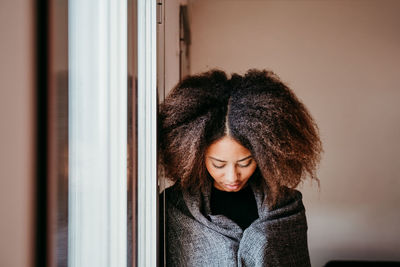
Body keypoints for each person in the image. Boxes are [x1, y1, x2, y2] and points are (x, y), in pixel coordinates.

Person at [158, 69, 322, 267]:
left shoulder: (286, 208)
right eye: (218, 164)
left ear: (265, 155)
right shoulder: (176, 210)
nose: (232, 176)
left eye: (245, 163)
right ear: (194, 156)